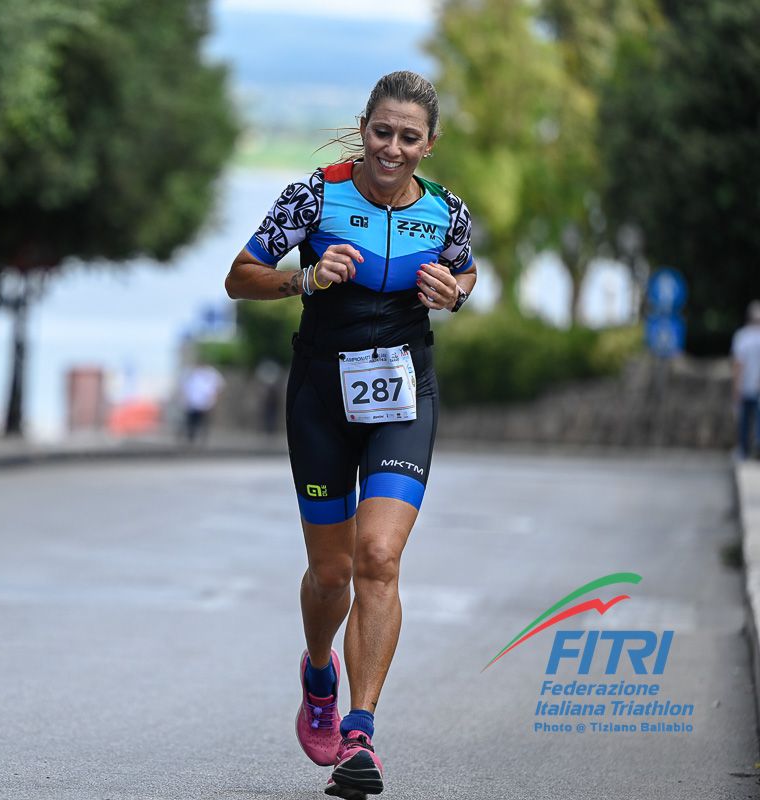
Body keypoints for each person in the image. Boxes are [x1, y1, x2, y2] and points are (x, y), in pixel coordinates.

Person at [225, 71, 477, 798]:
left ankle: (359, 735)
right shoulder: (315, 196)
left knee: (379, 556)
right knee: (332, 572)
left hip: (404, 396)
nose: (392, 148)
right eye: (382, 132)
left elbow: (466, 273)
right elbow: (240, 276)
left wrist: (454, 294)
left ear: (429, 144)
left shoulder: (446, 212)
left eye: (409, 137)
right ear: (363, 128)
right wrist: (305, 281)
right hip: (321, 398)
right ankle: (318, 672)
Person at [731, 301, 760, 458]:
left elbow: (738, 365)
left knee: (745, 422)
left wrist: (736, 387)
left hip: (746, 386)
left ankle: (744, 451)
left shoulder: (742, 336)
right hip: (753, 387)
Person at [179, 360, 223, 444]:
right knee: (191, 421)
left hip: (206, 403)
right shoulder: (192, 373)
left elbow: (218, 386)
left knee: (203, 421)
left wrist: (214, 398)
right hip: (192, 402)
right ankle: (191, 437)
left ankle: (202, 438)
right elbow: (185, 387)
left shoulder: (211, 373)